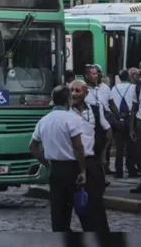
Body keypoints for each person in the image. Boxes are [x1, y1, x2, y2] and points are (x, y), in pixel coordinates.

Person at [29, 85, 86, 232]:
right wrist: (83, 170)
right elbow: (78, 147)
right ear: (68, 100)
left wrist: (46, 163)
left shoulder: (44, 120)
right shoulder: (71, 119)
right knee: (77, 210)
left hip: (54, 169)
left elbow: (33, 146)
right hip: (71, 168)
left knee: (57, 211)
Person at [69, 80, 111, 234]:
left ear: (85, 93)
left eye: (77, 91)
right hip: (73, 164)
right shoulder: (66, 112)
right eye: (71, 90)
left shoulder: (95, 109)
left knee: (97, 203)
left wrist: (103, 154)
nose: (73, 94)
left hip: (92, 162)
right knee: (81, 206)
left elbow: (107, 131)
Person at [84, 64, 114, 175]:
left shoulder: (100, 89)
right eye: (93, 74)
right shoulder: (83, 90)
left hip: (99, 126)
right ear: (87, 76)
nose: (96, 76)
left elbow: (103, 108)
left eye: (97, 73)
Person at [110, 69, 134, 178]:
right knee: (131, 145)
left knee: (119, 146)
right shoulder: (133, 87)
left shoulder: (114, 88)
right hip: (130, 118)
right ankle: (131, 168)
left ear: (119, 77)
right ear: (128, 76)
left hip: (118, 118)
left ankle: (118, 171)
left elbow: (111, 103)